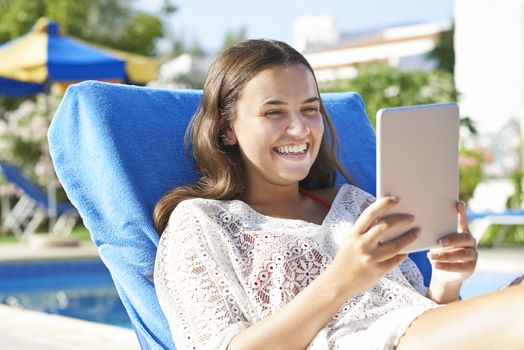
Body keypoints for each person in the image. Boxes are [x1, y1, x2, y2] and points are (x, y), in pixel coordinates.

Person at [153, 39, 524, 350]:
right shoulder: (200, 222)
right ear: (226, 128)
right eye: (274, 112)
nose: (299, 129)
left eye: (310, 109)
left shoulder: (355, 205)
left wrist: (446, 282)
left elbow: (419, 314)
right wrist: (340, 280)